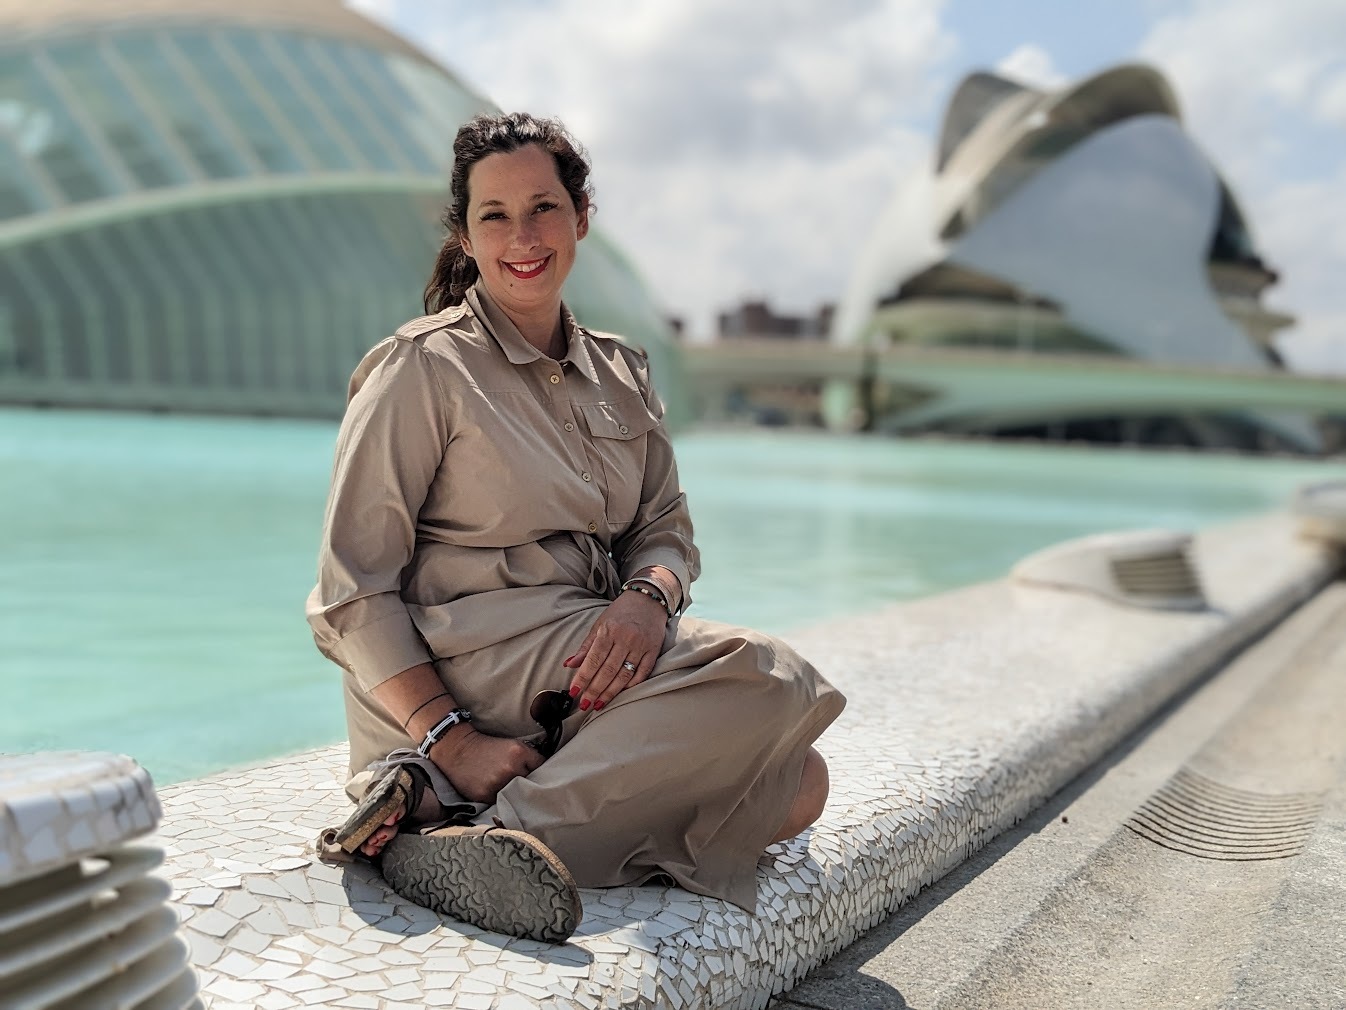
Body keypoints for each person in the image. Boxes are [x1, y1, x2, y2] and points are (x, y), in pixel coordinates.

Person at [307, 112, 846, 943]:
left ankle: (451, 820)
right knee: (768, 673)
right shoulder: (421, 368)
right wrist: (448, 738)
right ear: (466, 233)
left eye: (543, 208)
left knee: (800, 782)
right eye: (494, 215)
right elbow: (350, 593)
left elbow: (666, 527)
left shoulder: (622, 371)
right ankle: (492, 828)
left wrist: (648, 598)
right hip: (472, 669)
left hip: (590, 664)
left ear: (581, 215)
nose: (522, 236)